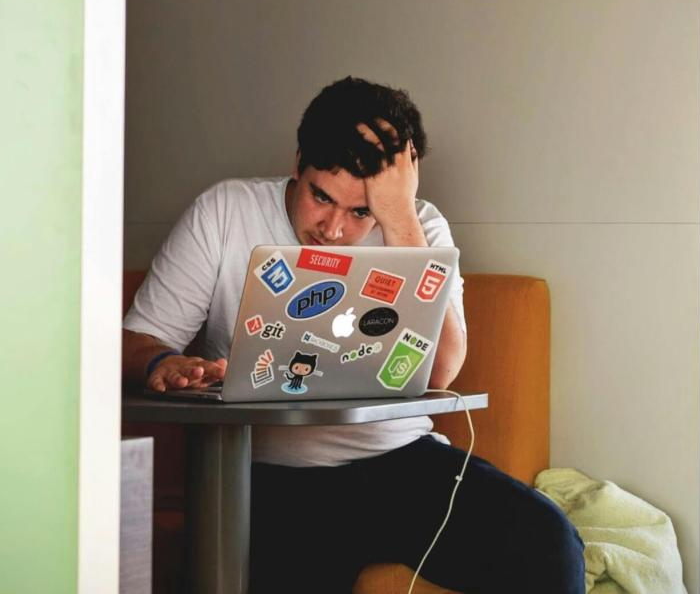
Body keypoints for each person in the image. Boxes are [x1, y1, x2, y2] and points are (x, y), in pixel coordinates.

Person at [121, 77, 584, 593]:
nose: (333, 229)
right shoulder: (225, 211)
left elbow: (442, 370)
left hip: (400, 463)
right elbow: (134, 341)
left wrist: (399, 218)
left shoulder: (419, 227)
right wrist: (162, 363)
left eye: (361, 211)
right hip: (266, 475)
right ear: (298, 162)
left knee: (551, 543)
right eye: (320, 196)